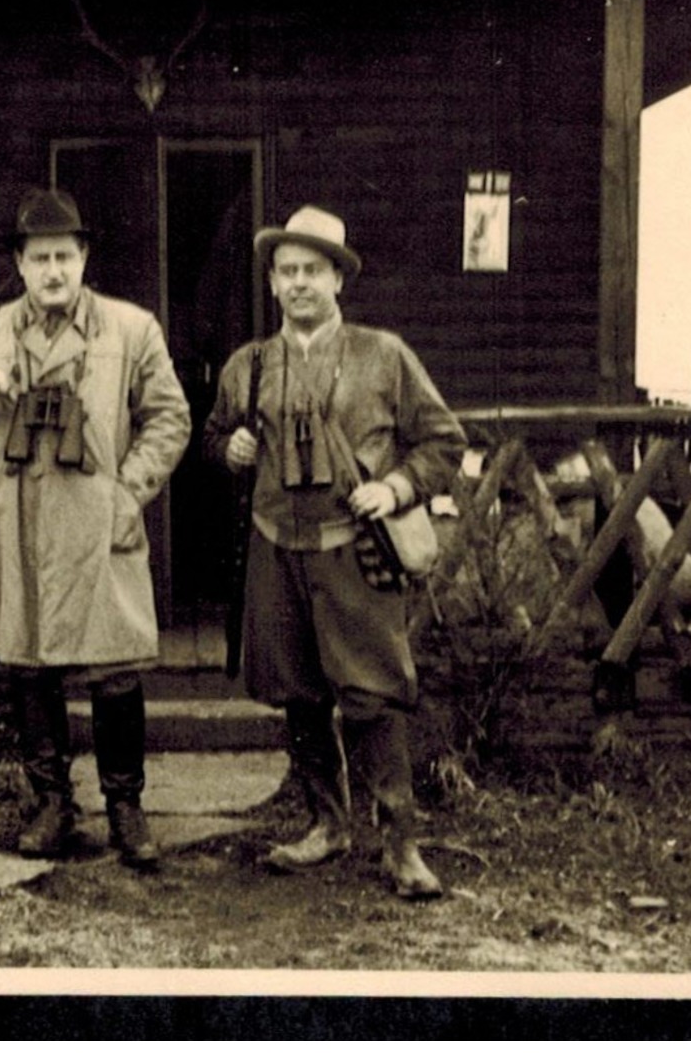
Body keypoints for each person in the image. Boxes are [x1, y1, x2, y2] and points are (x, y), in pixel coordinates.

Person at [203, 204, 466, 899]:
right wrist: (227, 449)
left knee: (371, 693)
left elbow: (444, 441)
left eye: (311, 270)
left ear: (337, 280)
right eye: (286, 271)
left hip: (354, 552)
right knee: (298, 692)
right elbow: (214, 437)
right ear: (271, 284)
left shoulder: (385, 355)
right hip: (274, 548)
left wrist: (395, 487)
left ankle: (399, 842)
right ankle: (325, 824)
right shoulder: (247, 365)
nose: (298, 283)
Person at [0, 187, 191, 869]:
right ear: (18, 262)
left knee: (114, 664)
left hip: (96, 523)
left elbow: (170, 417)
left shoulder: (131, 329)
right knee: (27, 662)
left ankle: (125, 807)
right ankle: (51, 803)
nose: (53, 271)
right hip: (14, 519)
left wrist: (127, 490)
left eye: (64, 257)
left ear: (83, 257)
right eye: (39, 257)